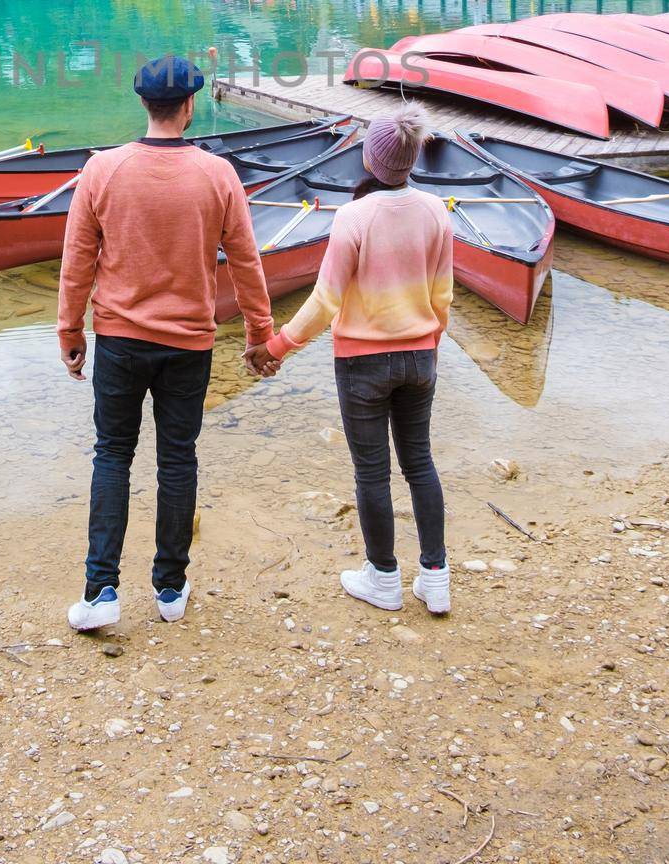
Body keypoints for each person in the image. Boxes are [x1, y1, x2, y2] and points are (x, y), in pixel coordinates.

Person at [57, 55, 274, 631]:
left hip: (121, 342)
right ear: (189, 106)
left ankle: (101, 592)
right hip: (189, 344)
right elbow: (247, 263)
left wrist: (70, 329)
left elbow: (77, 260)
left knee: (112, 455)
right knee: (177, 459)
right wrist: (259, 333)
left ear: (145, 104)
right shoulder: (218, 175)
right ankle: (170, 588)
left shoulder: (101, 170)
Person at [245, 104, 453, 615]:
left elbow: (325, 301)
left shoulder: (354, 217)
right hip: (420, 356)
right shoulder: (435, 212)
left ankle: (384, 578)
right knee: (420, 463)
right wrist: (428, 341)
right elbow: (443, 296)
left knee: (372, 474)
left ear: (371, 158)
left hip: (363, 364)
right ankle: (436, 577)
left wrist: (276, 346)